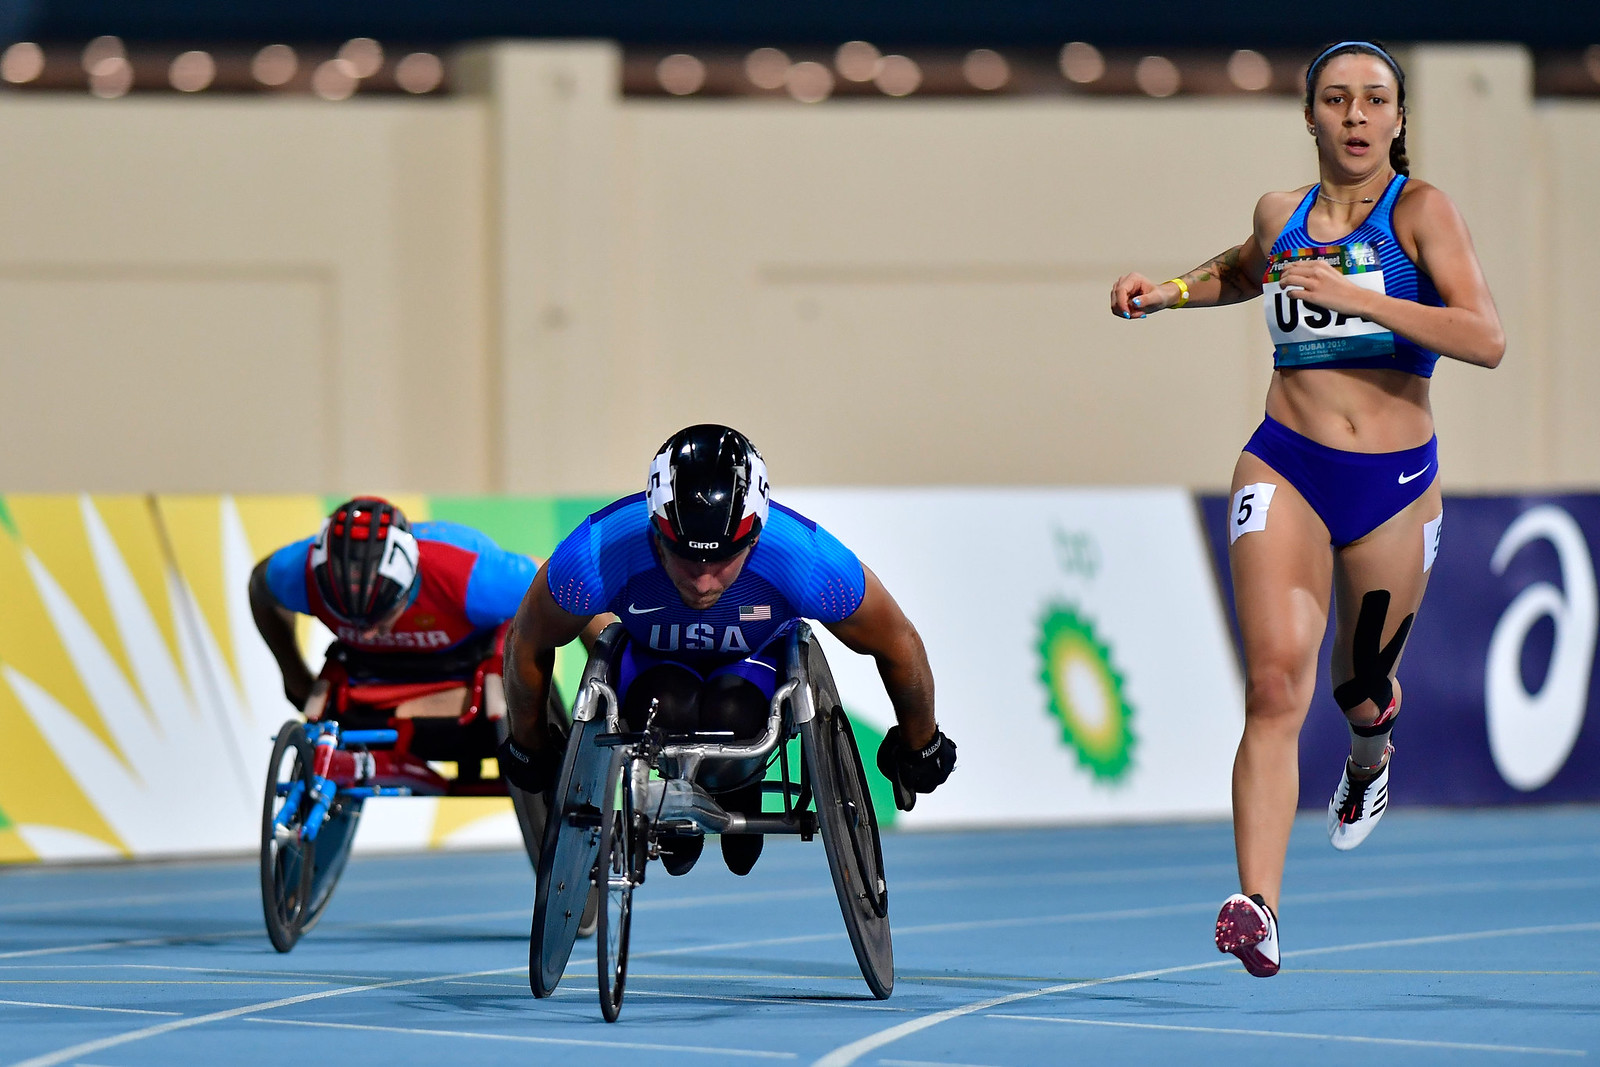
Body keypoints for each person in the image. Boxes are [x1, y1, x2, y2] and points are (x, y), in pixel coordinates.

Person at [1110, 41, 1504, 977]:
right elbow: (1248, 269)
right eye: (1338, 101)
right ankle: (1258, 904)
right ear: (1311, 117)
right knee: (1274, 685)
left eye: (1375, 101)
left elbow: (1483, 336)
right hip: (1282, 464)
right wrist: (1166, 292)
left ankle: (1371, 750)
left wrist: (1352, 298)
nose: (1357, 117)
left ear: (1400, 119)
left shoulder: (1423, 212)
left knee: (1357, 688)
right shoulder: (1280, 213)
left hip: (1393, 487)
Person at [498, 424, 956, 876]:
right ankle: (679, 789)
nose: (702, 581)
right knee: (665, 701)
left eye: (721, 559)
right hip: (655, 674)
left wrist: (921, 741)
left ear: (755, 535)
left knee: (734, 710)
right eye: (685, 556)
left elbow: (897, 641)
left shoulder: (806, 560)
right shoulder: (595, 555)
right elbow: (528, 639)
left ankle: (742, 782)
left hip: (751, 675)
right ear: (656, 530)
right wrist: (528, 743)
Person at [249, 497, 566, 739]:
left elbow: (565, 582)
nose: (370, 634)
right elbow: (259, 590)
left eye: (379, 618)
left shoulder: (472, 576)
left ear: (409, 584)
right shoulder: (292, 572)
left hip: (465, 656)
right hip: (366, 666)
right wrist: (293, 674)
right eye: (351, 620)